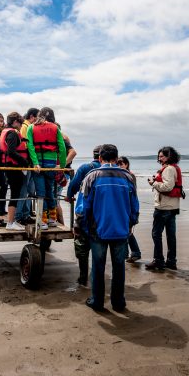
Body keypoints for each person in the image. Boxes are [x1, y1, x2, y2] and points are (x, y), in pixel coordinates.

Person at [75, 144, 139, 312]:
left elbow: (82, 207)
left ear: (100, 158)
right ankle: (118, 303)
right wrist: (131, 223)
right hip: (121, 230)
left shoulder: (92, 176)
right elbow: (134, 206)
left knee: (98, 266)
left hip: (97, 231)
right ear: (116, 159)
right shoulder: (128, 177)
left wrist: (80, 226)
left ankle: (97, 301)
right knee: (119, 268)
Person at [65, 145, 102, 286]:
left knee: (82, 246)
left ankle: (82, 277)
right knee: (99, 247)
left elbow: (73, 185)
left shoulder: (85, 168)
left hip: (83, 213)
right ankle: (97, 276)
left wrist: (69, 196)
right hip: (101, 214)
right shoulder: (110, 170)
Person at [146, 146, 185, 271]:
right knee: (170, 235)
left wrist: (153, 183)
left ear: (169, 156)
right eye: (159, 156)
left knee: (156, 234)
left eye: (162, 156)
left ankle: (159, 261)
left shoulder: (168, 169)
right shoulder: (173, 168)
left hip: (163, 207)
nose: (159, 158)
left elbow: (167, 187)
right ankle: (171, 261)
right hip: (172, 207)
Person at [26, 107, 66, 230]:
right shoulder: (55, 128)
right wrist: (62, 166)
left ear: (38, 115)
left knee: (40, 193)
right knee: (50, 190)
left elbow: (30, 146)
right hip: (51, 164)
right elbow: (62, 148)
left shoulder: (31, 127)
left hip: (38, 165)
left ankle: (42, 221)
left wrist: (35, 163)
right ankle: (52, 219)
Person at [0, 112, 29, 230]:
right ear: (15, 122)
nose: (21, 126)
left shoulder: (5, 131)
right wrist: (25, 163)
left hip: (10, 166)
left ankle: (11, 221)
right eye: (20, 123)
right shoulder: (12, 133)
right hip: (13, 167)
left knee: (15, 193)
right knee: (15, 193)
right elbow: (11, 151)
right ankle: (10, 223)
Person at [15, 108, 39, 225]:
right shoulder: (25, 127)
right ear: (32, 117)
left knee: (29, 190)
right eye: (37, 117)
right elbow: (27, 145)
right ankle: (19, 215)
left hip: (29, 163)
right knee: (24, 190)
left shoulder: (27, 126)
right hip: (26, 163)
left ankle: (25, 214)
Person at [117, 156, 141, 263]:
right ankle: (126, 254)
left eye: (121, 163)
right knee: (125, 231)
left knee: (127, 231)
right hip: (123, 206)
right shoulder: (121, 175)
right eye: (118, 163)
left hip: (129, 207)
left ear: (126, 164)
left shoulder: (129, 175)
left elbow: (132, 192)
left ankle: (135, 253)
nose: (119, 165)